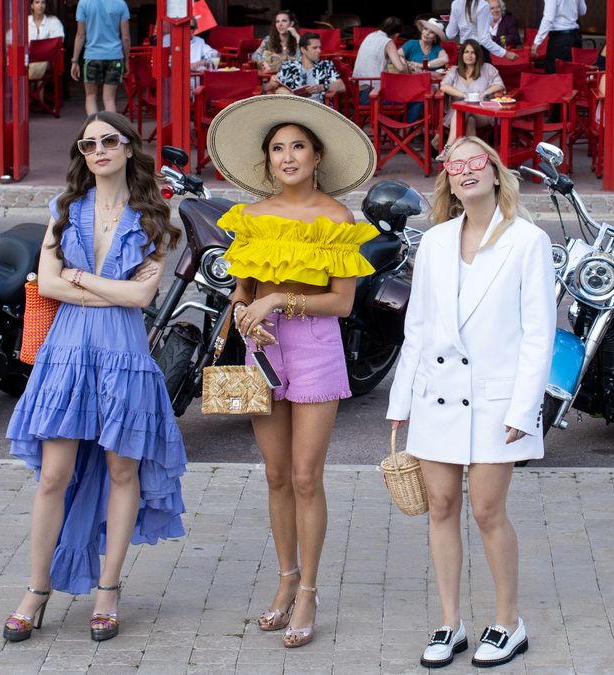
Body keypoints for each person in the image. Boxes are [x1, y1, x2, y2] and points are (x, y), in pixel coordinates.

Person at [4, 111, 186, 645]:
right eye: (88, 144)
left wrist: (79, 279)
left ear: (129, 149)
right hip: (67, 353)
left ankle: (109, 589)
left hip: (124, 355)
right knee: (53, 475)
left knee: (122, 471)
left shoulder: (154, 216)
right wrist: (103, 285)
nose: (99, 150)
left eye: (110, 141)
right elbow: (50, 285)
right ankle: (36, 590)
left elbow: (143, 297)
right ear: (82, 155)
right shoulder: (64, 209)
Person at [206, 94, 379, 649]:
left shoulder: (336, 218)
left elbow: (343, 304)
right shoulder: (250, 217)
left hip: (314, 346)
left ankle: (309, 589)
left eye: (297, 146)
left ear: (316, 155)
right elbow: (240, 291)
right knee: (276, 475)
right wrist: (244, 313)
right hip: (261, 347)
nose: (287, 156)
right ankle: (283, 581)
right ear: (267, 161)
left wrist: (278, 300)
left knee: (306, 475)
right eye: (277, 148)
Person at [387, 135, 554, 670]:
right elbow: (417, 327)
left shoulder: (528, 241)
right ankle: (449, 622)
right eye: (454, 165)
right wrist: (400, 398)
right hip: (435, 393)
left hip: (497, 401)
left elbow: (538, 334)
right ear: (447, 180)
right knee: (440, 507)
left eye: (475, 161)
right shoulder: (433, 241)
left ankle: (508, 621)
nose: (465, 171)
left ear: (496, 172)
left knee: (486, 509)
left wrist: (524, 409)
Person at [437, 40, 506, 159]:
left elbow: (499, 85)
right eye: (466, 52)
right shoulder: (454, 71)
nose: (469, 55)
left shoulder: (487, 68)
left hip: (483, 113)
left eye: (473, 52)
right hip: (456, 115)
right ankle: (473, 158)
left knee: (466, 109)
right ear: (462, 54)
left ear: (478, 55)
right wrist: (464, 95)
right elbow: (444, 86)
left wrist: (484, 93)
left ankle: (448, 148)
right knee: (469, 120)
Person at [71, 0, 131, 114]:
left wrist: (74, 60)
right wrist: (127, 59)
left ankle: (95, 130)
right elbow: (126, 37)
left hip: (92, 56)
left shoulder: (84, 3)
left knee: (91, 97)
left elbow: (80, 35)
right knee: (109, 99)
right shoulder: (120, 3)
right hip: (115, 56)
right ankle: (110, 130)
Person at [271, 32, 344, 102]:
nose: (319, 51)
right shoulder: (289, 66)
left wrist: (323, 87)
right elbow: (272, 87)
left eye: (319, 47)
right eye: (315, 48)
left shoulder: (326, 65)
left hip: (317, 108)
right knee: (281, 91)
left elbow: (341, 86)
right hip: (292, 108)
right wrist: (272, 82)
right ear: (303, 50)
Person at [352, 17, 411, 104]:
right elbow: (400, 68)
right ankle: (409, 118)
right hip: (373, 94)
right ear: (396, 34)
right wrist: (406, 65)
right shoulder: (388, 42)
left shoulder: (370, 36)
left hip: (358, 91)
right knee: (412, 98)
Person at [446, 0, 520, 64]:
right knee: (490, 78)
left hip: (464, 50)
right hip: (479, 51)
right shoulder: (482, 5)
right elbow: (484, 39)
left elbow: (450, 34)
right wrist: (505, 53)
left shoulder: (456, 3)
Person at [529, 0, 587, 73]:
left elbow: (548, 18)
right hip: (575, 36)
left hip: (560, 39)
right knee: (574, 76)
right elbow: (583, 11)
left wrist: (536, 42)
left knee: (554, 75)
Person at [28, 0, 66, 80]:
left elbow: (58, 42)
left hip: (47, 61)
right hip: (27, 59)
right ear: (32, 5)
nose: (40, 6)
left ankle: (32, 89)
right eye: (37, 2)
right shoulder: (25, 21)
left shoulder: (53, 21)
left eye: (43, 2)